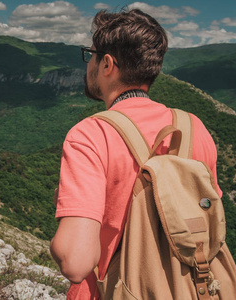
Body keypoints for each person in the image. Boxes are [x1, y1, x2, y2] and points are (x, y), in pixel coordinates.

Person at [49, 8, 222, 299]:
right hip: (187, 289)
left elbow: (75, 262)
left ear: (107, 64)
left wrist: (61, 231)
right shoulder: (194, 129)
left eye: (90, 55)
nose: (88, 64)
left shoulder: (91, 135)